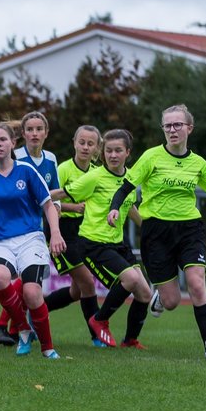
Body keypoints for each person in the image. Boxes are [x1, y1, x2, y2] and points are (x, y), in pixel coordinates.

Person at [107, 104, 206, 362]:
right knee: (171, 302)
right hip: (156, 232)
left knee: (196, 284)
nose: (172, 130)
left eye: (177, 125)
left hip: (189, 229)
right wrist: (115, 209)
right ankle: (161, 297)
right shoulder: (151, 157)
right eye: (167, 125)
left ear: (189, 128)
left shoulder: (198, 164)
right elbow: (125, 187)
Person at [0, 121, 65, 359]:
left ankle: (48, 348)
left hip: (31, 239)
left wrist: (56, 233)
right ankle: (23, 329)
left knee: (31, 293)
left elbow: (49, 206)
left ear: (12, 143)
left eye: (2, 140)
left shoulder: (28, 172)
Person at [60, 129, 152, 349]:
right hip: (93, 243)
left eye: (118, 150)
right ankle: (99, 319)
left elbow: (130, 208)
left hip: (117, 243)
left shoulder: (130, 179)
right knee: (130, 279)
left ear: (127, 153)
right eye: (108, 150)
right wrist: (39, 198)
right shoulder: (94, 176)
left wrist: (150, 231)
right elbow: (63, 193)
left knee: (145, 293)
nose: (112, 155)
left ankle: (129, 340)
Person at [0, 111, 59, 346]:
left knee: (29, 282)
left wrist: (55, 214)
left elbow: (51, 193)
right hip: (13, 232)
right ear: (23, 134)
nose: (34, 133)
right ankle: (9, 327)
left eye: (39, 129)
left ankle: (8, 328)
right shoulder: (15, 157)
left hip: (38, 229)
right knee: (23, 280)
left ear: (46, 133)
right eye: (30, 129)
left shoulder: (50, 158)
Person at [43, 125, 106, 346]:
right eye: (82, 142)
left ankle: (37, 310)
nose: (86, 147)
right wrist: (72, 208)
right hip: (62, 233)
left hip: (86, 233)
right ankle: (97, 335)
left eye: (91, 144)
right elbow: (49, 201)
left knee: (77, 290)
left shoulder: (98, 172)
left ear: (97, 147)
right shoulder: (63, 170)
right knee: (88, 283)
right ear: (74, 142)